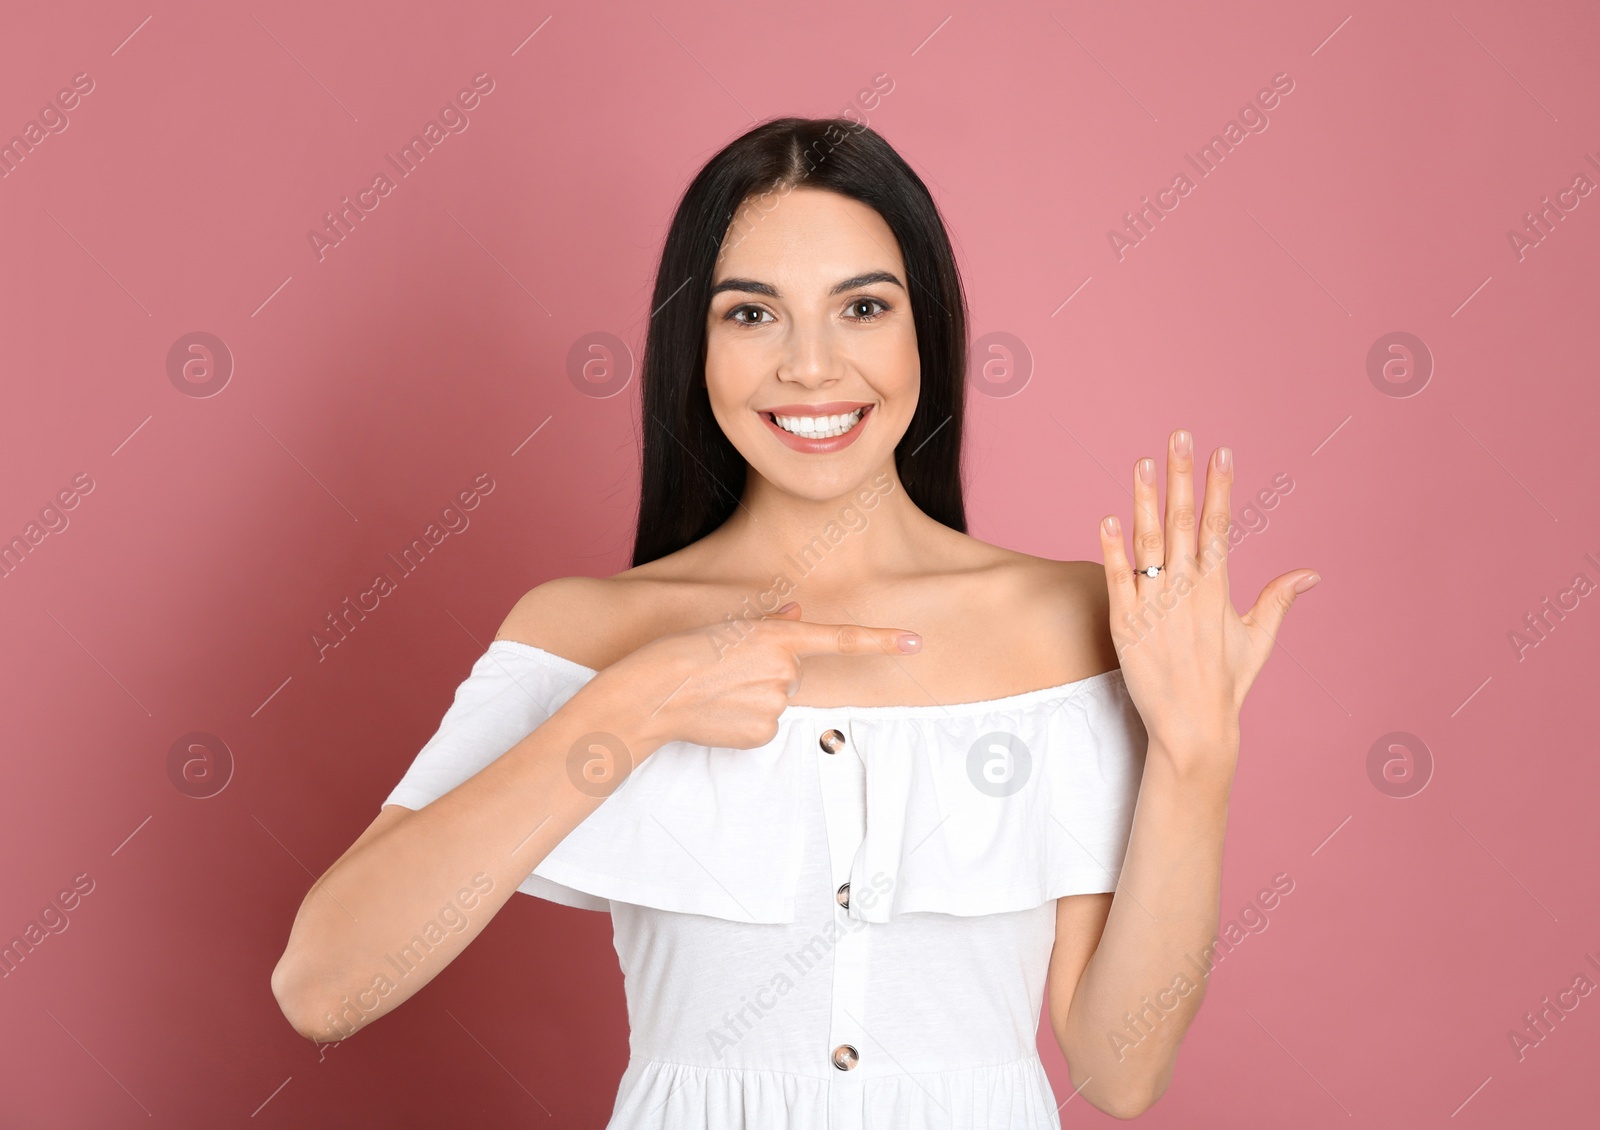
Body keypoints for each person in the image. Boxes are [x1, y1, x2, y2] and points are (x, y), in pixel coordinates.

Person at [270, 116, 1319, 1127]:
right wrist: (639, 701)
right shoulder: (587, 627)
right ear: (695, 341)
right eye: (752, 312)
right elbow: (326, 984)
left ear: (927, 332)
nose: (811, 366)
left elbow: (1119, 1064)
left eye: (862, 308)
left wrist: (1197, 753)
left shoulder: (1077, 621)